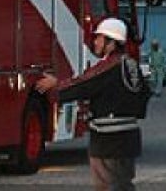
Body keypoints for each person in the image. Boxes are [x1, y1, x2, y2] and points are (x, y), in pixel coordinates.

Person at [36, 18, 147, 191]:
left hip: (107, 139)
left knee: (106, 185)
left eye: (99, 38)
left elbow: (82, 85)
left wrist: (56, 86)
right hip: (129, 137)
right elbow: (144, 95)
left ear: (111, 42)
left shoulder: (108, 67)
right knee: (124, 185)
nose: (95, 42)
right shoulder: (131, 65)